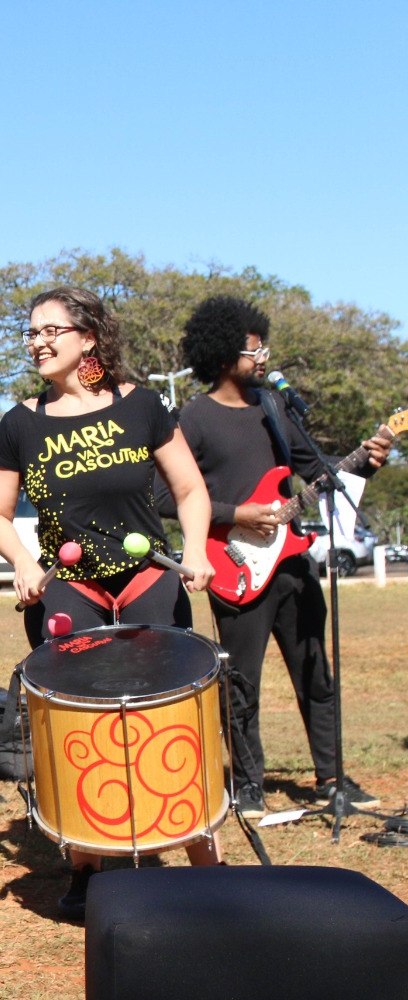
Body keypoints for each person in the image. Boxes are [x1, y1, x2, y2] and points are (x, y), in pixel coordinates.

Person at [0, 285, 218, 918]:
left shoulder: (141, 406)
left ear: (88, 338)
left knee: (167, 717)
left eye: (51, 329)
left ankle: (204, 863)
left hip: (147, 576)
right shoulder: (20, 423)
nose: (38, 341)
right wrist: (25, 563)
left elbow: (190, 488)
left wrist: (194, 549)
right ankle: (87, 869)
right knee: (76, 726)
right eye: (31, 333)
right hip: (70, 585)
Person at [164, 295, 390, 817]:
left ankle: (333, 778)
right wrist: (236, 513)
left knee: (316, 670)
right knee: (241, 681)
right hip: (234, 564)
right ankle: (247, 783)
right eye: (253, 349)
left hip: (291, 562)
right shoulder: (192, 418)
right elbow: (163, 495)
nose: (263, 356)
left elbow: (321, 471)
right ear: (224, 357)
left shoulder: (277, 407)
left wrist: (369, 459)